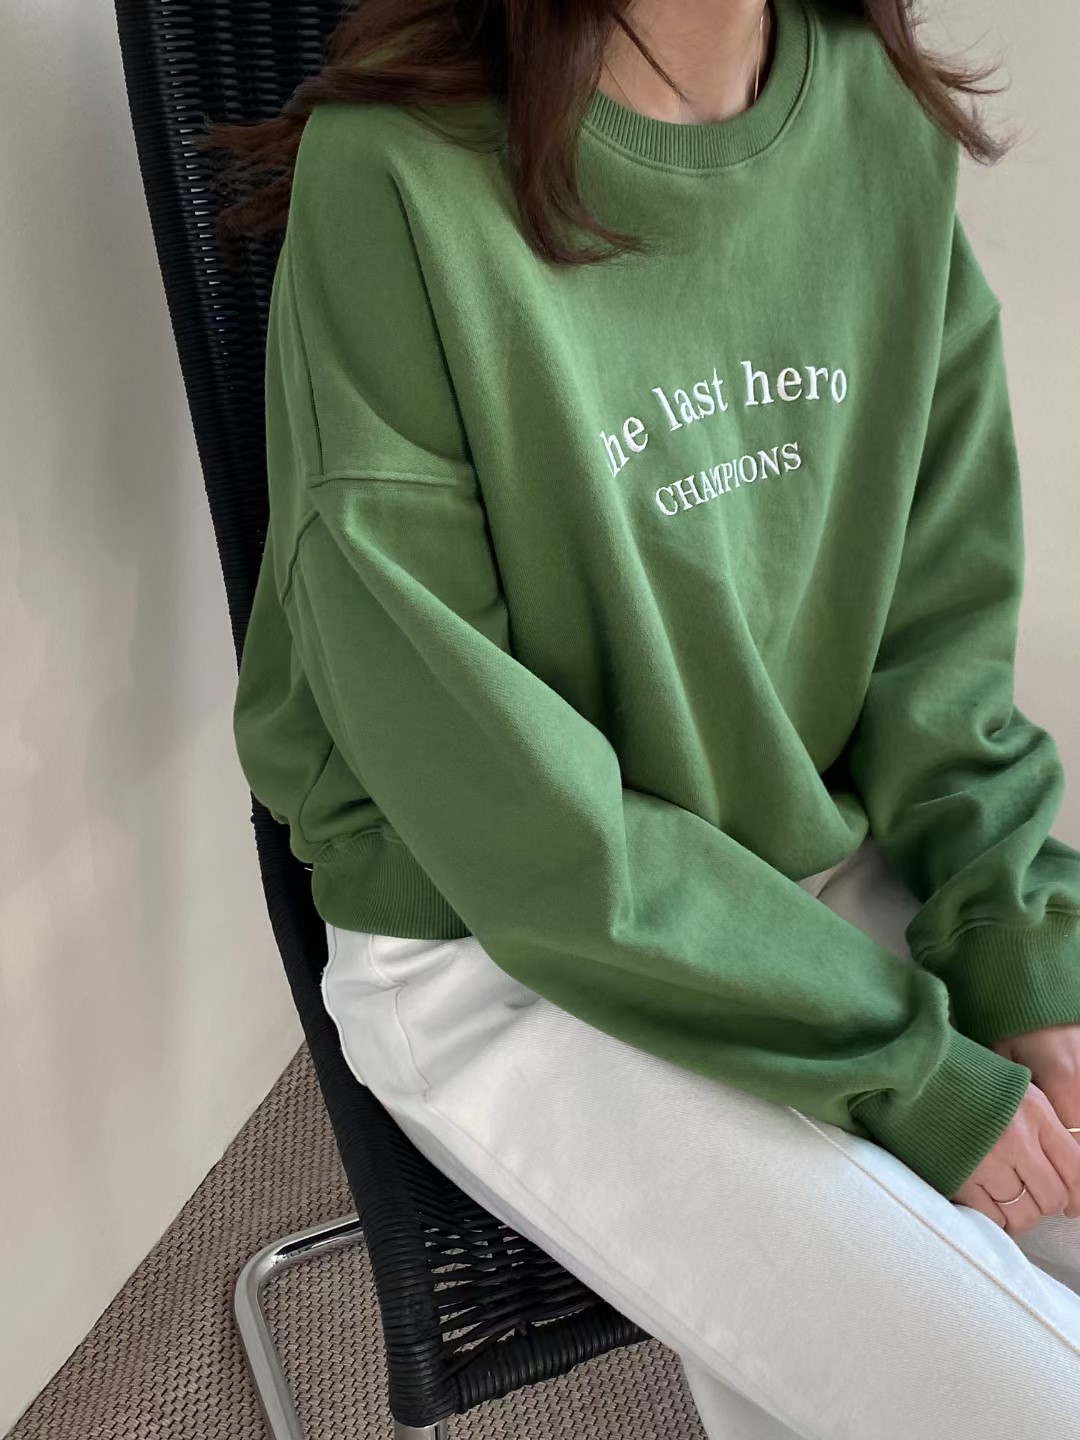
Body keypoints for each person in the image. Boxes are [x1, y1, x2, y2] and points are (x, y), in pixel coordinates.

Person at [218, 0, 1080, 1434]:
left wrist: (1018, 946)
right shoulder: (397, 171)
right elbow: (497, 798)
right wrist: (908, 1069)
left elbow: (935, 637)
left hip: (809, 857)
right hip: (504, 949)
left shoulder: (877, 111)